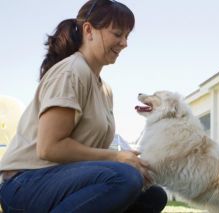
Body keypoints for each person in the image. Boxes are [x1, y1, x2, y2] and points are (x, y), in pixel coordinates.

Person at [0, 0, 167, 212]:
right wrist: (116, 157)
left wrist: (130, 159)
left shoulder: (104, 90)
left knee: (152, 196)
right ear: (89, 30)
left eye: (127, 36)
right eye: (117, 34)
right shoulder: (72, 72)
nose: (124, 43)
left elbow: (88, 152)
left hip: (59, 180)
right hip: (25, 184)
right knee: (124, 178)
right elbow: (50, 147)